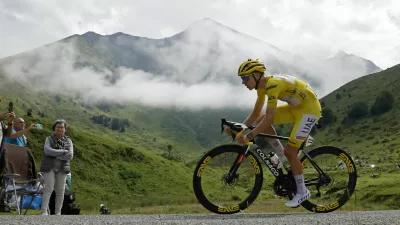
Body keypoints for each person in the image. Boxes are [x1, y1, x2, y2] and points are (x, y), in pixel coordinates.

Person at [226, 59, 321, 208]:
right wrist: (241, 128)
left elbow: (270, 117)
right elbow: (257, 112)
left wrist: (250, 136)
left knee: (291, 152)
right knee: (261, 120)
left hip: (309, 110)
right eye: (241, 79)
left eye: (245, 78)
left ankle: (302, 192)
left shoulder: (273, 85)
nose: (243, 82)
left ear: (256, 74)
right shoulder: (262, 86)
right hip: (295, 108)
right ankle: (281, 155)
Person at [39, 119, 73, 215]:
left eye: (62, 127)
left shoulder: (68, 140)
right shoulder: (48, 139)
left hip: (63, 168)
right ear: (54, 128)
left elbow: (70, 155)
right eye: (58, 127)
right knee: (48, 188)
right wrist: (63, 151)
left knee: (60, 190)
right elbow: (48, 151)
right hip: (49, 167)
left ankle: (58, 213)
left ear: (65, 129)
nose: (60, 129)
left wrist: (55, 154)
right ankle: (43, 212)